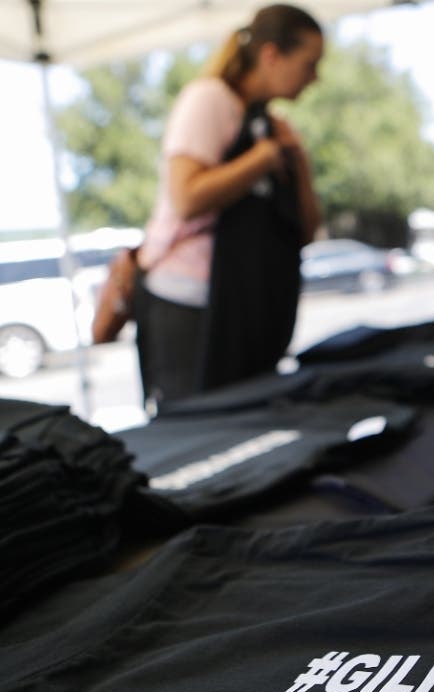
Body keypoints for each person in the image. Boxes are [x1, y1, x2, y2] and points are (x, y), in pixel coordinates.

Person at [134, 4, 324, 409]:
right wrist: (262, 158)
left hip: (244, 305)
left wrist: (297, 162)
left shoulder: (265, 123)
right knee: (195, 431)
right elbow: (186, 198)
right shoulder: (210, 99)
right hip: (191, 306)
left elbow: (305, 231)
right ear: (271, 55)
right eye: (309, 64)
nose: (314, 78)